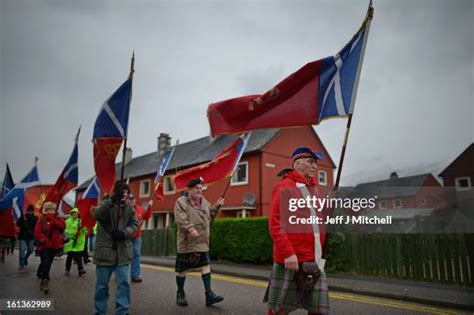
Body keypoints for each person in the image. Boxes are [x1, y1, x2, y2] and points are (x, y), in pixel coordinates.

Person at [265, 147, 329, 315]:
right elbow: (276, 224)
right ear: (297, 163)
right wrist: (287, 253)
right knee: (279, 309)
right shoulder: (285, 186)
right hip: (291, 260)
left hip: (314, 258)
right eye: (310, 161)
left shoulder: (317, 189)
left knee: (319, 310)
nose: (315, 166)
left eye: (316, 163)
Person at [174, 177, 224, 307]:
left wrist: (217, 206)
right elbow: (181, 218)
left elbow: (210, 215)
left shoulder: (205, 202)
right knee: (182, 269)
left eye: (201, 188)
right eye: (196, 188)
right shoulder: (181, 202)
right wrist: (190, 228)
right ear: (189, 189)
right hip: (187, 243)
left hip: (202, 241)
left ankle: (209, 294)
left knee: (206, 266)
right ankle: (180, 293)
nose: (199, 191)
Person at [92, 180, 139, 315]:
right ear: (117, 193)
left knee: (124, 284)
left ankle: (122, 311)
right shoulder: (106, 204)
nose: (126, 196)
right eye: (123, 193)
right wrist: (111, 201)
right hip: (105, 252)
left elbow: (135, 225)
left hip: (123, 252)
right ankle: (100, 311)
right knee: (101, 286)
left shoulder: (130, 208)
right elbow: (96, 214)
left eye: (127, 193)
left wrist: (124, 233)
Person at [34, 202, 65, 294]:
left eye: (53, 209)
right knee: (46, 262)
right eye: (49, 209)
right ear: (45, 210)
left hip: (54, 246)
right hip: (44, 246)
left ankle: (44, 277)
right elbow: (37, 232)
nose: (51, 211)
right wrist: (44, 240)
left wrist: (54, 221)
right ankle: (45, 282)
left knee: (48, 263)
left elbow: (62, 227)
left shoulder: (58, 219)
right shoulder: (41, 219)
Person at [128, 194, 153, 283]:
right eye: (130, 199)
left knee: (136, 254)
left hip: (137, 236)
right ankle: (122, 273)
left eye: (133, 199)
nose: (132, 200)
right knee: (125, 255)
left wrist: (149, 207)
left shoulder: (139, 209)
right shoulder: (124, 209)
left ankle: (135, 275)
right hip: (126, 236)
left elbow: (146, 216)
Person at [64, 208, 87, 276]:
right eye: (73, 213)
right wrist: (73, 233)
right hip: (71, 242)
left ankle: (81, 270)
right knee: (69, 257)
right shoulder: (67, 221)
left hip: (79, 242)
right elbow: (66, 230)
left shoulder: (81, 221)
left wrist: (82, 231)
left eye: (76, 213)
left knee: (79, 257)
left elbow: (85, 231)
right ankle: (67, 269)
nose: (75, 214)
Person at [16, 205, 38, 270]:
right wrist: (21, 218)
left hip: (31, 237)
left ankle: (25, 258)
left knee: (31, 250)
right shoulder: (23, 217)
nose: (30, 212)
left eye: (31, 211)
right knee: (22, 251)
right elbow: (18, 224)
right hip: (23, 237)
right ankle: (21, 265)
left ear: (33, 211)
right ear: (27, 211)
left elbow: (37, 227)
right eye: (29, 211)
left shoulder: (35, 218)